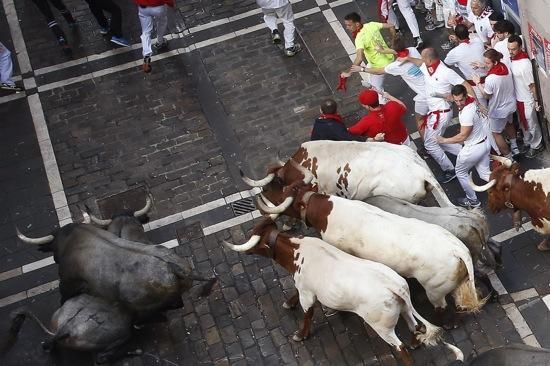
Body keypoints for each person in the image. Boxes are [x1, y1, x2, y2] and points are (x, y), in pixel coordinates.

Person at [399, 48, 478, 183]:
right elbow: (419, 63)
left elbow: (465, 85)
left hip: (441, 114)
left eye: (424, 59)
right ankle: (463, 152)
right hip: (436, 112)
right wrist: (408, 59)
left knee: (430, 143)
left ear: (429, 60)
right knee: (435, 140)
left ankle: (450, 169)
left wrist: (476, 104)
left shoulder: (446, 72)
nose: (422, 61)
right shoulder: (427, 67)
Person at [350, 37, 428, 141]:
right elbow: (401, 50)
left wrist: (362, 69)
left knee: (420, 120)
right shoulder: (413, 50)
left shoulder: (396, 66)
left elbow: (378, 71)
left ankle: (427, 145)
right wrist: (383, 51)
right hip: (432, 86)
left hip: (424, 95)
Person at [437, 85, 490, 208]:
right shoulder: (471, 98)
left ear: (465, 96)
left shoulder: (467, 113)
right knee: (484, 174)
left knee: (460, 172)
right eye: (456, 100)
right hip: (485, 143)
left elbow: (463, 136)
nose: (459, 103)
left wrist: (444, 140)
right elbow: (452, 97)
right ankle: (508, 187)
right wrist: (440, 95)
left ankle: (473, 201)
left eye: (461, 100)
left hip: (472, 149)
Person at [472, 49, 519, 159]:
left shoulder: (490, 79)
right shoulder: (505, 67)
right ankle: (515, 147)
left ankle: (509, 158)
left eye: (487, 63)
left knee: (496, 133)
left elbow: (486, 95)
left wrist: (478, 83)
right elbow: (493, 68)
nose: (486, 65)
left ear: (495, 62)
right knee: (509, 124)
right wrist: (483, 66)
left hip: (498, 110)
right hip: (511, 105)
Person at [343, 12, 395, 104]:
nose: (347, 27)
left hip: (380, 65)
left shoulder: (359, 38)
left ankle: (383, 102)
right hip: (389, 57)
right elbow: (391, 25)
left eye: (349, 25)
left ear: (357, 24)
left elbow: (359, 58)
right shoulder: (371, 25)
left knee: (376, 90)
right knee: (369, 68)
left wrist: (349, 73)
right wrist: (394, 40)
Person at [508, 35, 544, 158]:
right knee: (524, 124)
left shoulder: (525, 64)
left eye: (513, 49)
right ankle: (528, 142)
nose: (510, 51)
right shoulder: (513, 60)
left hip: (527, 100)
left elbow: (532, 85)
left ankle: (537, 145)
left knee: (532, 124)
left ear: (520, 47)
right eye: (509, 49)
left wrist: (536, 101)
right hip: (518, 98)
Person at [444, 24, 487, 105]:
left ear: (456, 36)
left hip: (475, 87)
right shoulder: (478, 41)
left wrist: (456, 43)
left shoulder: (454, 52)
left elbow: (446, 64)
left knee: (483, 112)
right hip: (490, 81)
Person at [135, 0, 173, 73]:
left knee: (146, 31)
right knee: (162, 22)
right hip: (158, 6)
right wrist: (171, 3)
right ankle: (160, 41)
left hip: (144, 7)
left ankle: (147, 54)